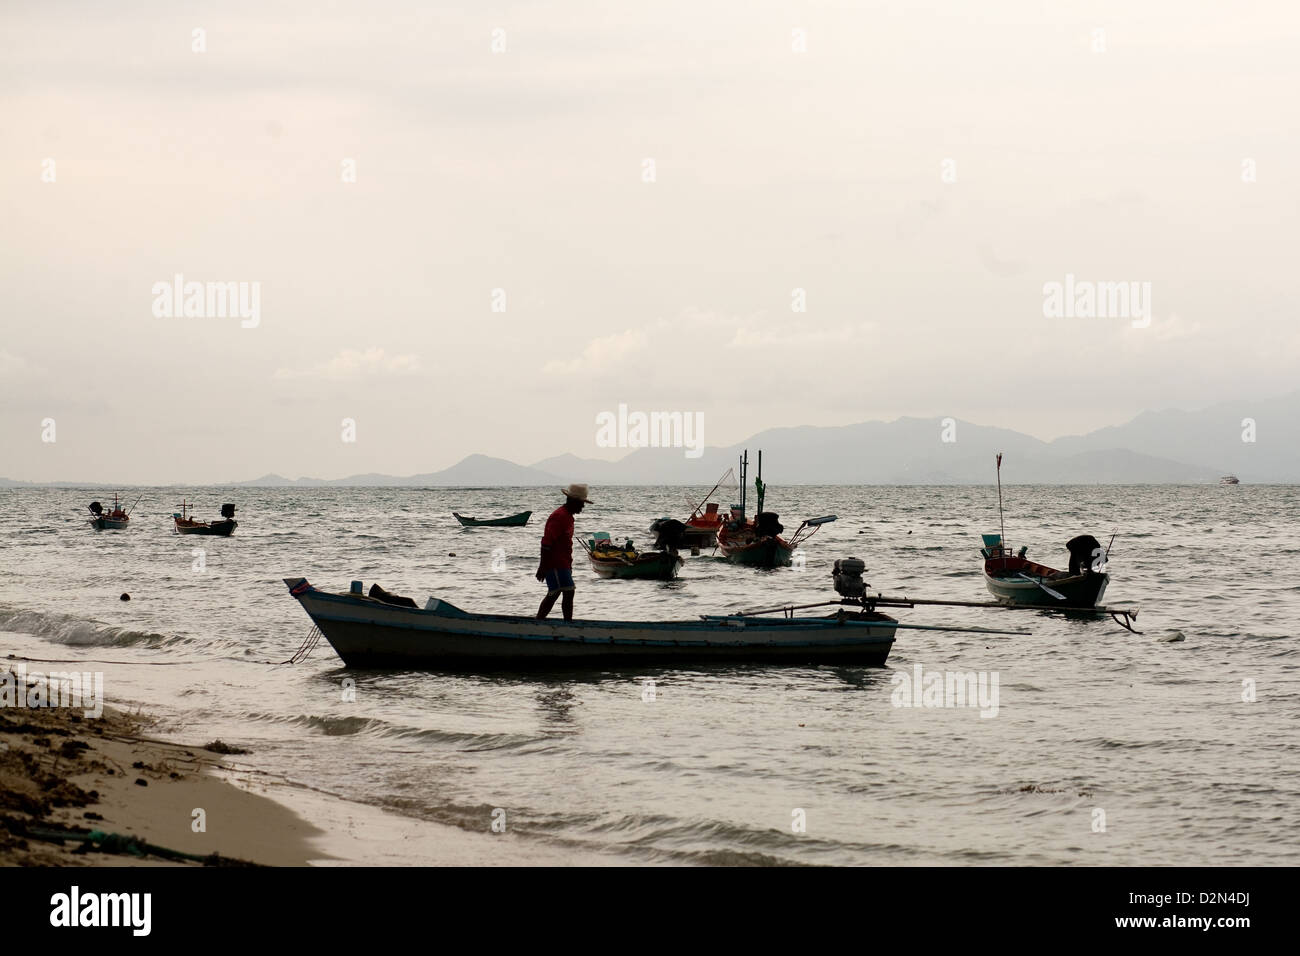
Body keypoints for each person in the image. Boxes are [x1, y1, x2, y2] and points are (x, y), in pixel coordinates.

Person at [536, 483, 591, 620]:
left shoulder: (567, 517)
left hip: (563, 564)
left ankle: (541, 621)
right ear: (573, 502)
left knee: (558, 593)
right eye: (581, 503)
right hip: (555, 564)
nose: (582, 507)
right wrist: (543, 567)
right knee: (565, 592)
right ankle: (565, 624)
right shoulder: (559, 516)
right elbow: (546, 544)